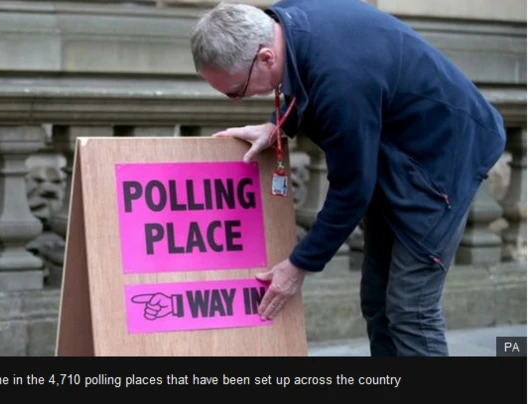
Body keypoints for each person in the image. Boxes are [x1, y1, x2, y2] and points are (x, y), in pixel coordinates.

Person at [189, 0, 507, 356]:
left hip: (442, 163)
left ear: (265, 57)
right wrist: (276, 124)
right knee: (376, 299)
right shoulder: (283, 20)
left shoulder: (342, 80)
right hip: (392, 152)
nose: (236, 101)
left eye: (236, 91)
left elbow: (352, 190)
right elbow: (305, 79)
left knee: (409, 308)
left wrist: (298, 265)